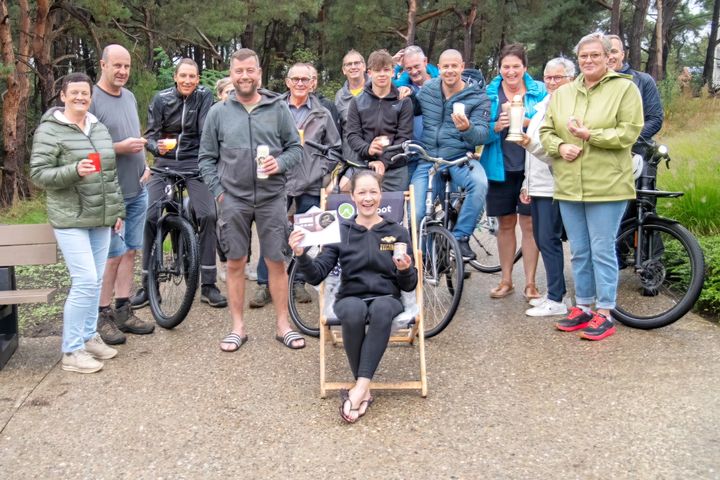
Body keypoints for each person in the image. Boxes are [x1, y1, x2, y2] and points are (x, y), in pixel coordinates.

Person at [288, 171, 418, 423]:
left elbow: (409, 284)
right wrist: (301, 254)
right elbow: (316, 275)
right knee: (352, 311)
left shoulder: (397, 232)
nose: (368, 198)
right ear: (352, 196)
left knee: (381, 309)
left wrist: (405, 270)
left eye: (373, 192)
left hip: (387, 296)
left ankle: (358, 389)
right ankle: (364, 391)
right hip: (350, 295)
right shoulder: (339, 231)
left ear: (381, 194)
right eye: (362, 192)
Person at [198, 48, 305, 351]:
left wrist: (279, 164)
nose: (244, 76)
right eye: (238, 71)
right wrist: (220, 193)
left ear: (259, 73)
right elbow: (205, 158)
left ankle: (283, 325)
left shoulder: (277, 108)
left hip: (272, 198)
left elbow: (295, 149)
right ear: (231, 75)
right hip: (233, 199)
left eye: (250, 71)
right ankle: (237, 327)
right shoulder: (218, 112)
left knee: (276, 262)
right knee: (235, 262)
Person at [540, 32, 643, 341]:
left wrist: (590, 136)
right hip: (570, 184)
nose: (588, 61)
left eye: (595, 55)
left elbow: (629, 133)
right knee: (580, 252)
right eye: (583, 56)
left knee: (602, 250)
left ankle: (606, 312)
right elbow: (546, 131)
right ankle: (583, 307)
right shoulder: (563, 93)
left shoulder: (625, 89)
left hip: (607, 185)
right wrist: (560, 147)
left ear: (608, 58)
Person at [30, 73, 125, 373]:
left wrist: (117, 211)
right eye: (74, 93)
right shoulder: (50, 130)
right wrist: (73, 170)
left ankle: (87, 337)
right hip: (70, 218)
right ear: (62, 96)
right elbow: (38, 174)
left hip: (100, 216)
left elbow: (110, 174)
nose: (80, 98)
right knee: (84, 281)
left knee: (95, 281)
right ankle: (71, 351)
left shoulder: (97, 127)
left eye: (85, 93)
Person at [134, 58, 227, 309]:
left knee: (208, 215)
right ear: (175, 77)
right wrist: (156, 146)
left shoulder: (204, 97)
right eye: (183, 76)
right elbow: (150, 136)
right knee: (151, 215)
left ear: (198, 79)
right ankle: (147, 285)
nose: (187, 81)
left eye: (192, 77)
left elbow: (206, 132)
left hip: (195, 166)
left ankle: (208, 284)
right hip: (164, 165)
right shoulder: (161, 99)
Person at [249, 63, 341, 309]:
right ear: (287, 82)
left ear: (313, 83)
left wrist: (320, 171)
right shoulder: (273, 108)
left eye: (306, 79)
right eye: (296, 79)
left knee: (307, 233)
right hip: (277, 179)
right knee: (272, 231)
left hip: (309, 183)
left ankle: (298, 280)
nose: (300, 83)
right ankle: (263, 283)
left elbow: (334, 148)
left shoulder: (323, 113)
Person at [89, 45, 155, 346]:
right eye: (117, 65)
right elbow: (82, 150)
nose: (123, 72)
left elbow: (133, 134)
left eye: (127, 66)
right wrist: (118, 148)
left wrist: (145, 166)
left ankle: (124, 309)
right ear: (102, 64)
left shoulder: (128, 97)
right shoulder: (90, 99)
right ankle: (102, 316)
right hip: (108, 193)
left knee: (130, 250)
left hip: (137, 188)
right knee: (111, 255)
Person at [408, 48, 491, 260]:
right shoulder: (427, 90)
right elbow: (408, 107)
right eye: (446, 66)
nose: (450, 70)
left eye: (455, 65)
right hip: (429, 160)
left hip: (459, 159)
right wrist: (403, 90)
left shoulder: (478, 97)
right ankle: (425, 260)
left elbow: (481, 135)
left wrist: (467, 129)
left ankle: (461, 238)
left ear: (462, 67)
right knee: (417, 215)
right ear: (438, 68)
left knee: (479, 184)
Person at [480, 43, 547, 300]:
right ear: (499, 68)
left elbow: (549, 124)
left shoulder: (539, 91)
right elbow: (478, 130)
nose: (510, 72)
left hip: (531, 167)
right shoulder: (489, 93)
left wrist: (525, 122)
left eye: (515, 66)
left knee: (529, 224)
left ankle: (530, 283)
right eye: (506, 67)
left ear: (525, 68)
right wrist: (496, 126)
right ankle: (506, 280)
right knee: (505, 224)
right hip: (500, 167)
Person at [513, 57, 576, 317]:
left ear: (570, 79)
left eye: (557, 77)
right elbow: (533, 156)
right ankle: (554, 293)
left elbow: (556, 152)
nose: (551, 82)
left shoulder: (568, 107)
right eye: (548, 77)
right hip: (537, 185)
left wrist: (527, 142)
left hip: (554, 185)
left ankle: (557, 298)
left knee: (549, 240)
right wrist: (527, 184)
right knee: (540, 238)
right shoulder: (542, 106)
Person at [345, 49, 414, 192]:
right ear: (369, 72)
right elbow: (352, 135)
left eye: (386, 69)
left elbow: (404, 137)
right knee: (364, 212)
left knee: (394, 214)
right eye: (377, 70)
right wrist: (367, 149)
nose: (382, 74)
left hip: (396, 170)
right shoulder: (356, 102)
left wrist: (384, 161)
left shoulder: (404, 102)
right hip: (364, 167)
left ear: (392, 71)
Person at [213, 77, 258, 283]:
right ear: (220, 95)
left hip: (246, 184)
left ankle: (246, 264)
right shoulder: (216, 116)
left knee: (245, 226)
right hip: (223, 182)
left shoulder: (248, 115)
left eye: (234, 91)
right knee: (224, 226)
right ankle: (224, 264)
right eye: (227, 92)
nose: (232, 95)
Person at [606, 35, 664, 156]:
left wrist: (622, 140)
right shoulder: (588, 85)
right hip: (598, 153)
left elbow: (655, 119)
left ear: (622, 55)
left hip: (635, 151)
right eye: (605, 52)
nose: (610, 56)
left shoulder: (644, 80)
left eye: (614, 51)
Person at [334, 50, 367, 175]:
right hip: (349, 161)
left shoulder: (376, 89)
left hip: (373, 159)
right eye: (349, 64)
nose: (353, 67)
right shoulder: (339, 96)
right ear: (344, 70)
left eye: (357, 63)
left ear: (364, 67)